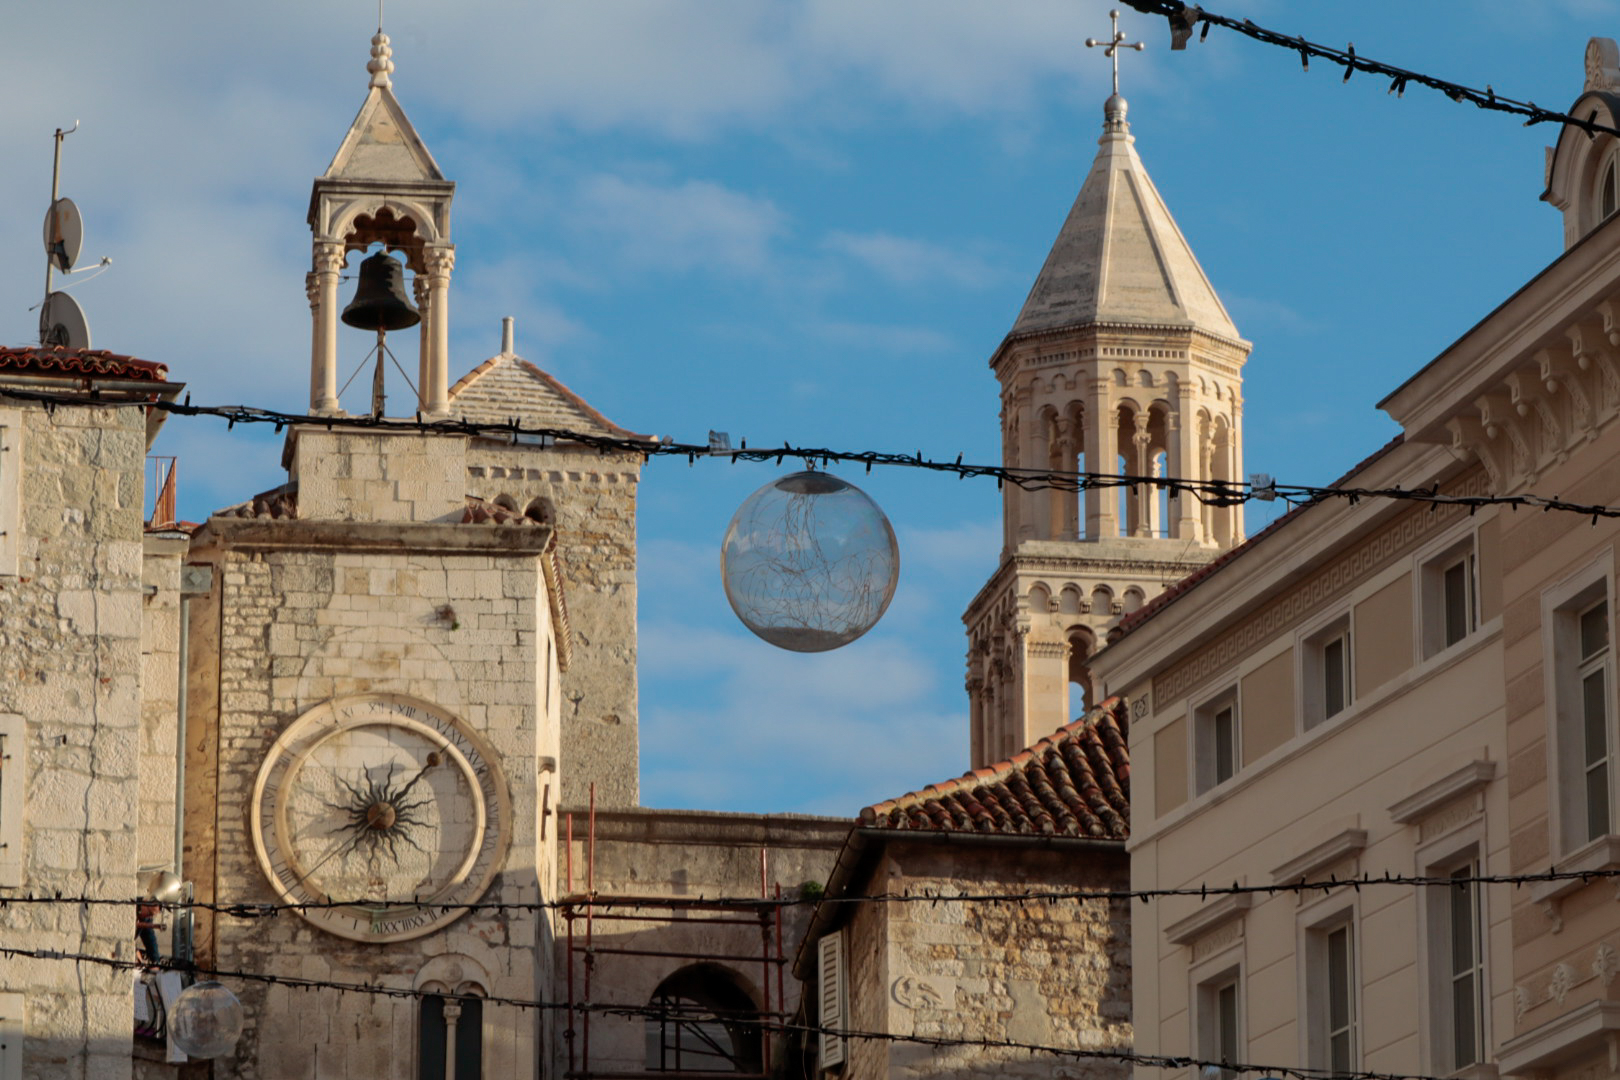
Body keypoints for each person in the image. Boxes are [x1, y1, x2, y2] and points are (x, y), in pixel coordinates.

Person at [135, 899, 162, 965]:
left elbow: (150, 939)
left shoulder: (146, 919)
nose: (150, 917)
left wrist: (155, 961)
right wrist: (135, 950)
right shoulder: (132, 906)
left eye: (152, 916)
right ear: (145, 901)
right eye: (150, 913)